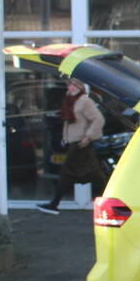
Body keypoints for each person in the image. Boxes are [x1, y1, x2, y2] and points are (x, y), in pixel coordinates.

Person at [36, 78, 106, 215]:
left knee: (66, 173)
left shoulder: (85, 101)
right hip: (74, 142)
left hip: (81, 143)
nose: (72, 87)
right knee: (96, 175)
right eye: (70, 84)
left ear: (81, 87)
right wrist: (65, 138)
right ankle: (110, 200)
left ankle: (54, 204)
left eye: (75, 85)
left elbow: (98, 119)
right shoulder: (70, 100)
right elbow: (69, 122)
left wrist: (88, 136)